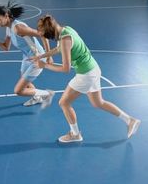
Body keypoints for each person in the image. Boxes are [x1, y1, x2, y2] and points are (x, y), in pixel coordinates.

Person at [30, 15, 141, 143]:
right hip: (93, 68)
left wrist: (44, 65)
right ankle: (130, 120)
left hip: (86, 74)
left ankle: (75, 134)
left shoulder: (65, 40)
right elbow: (58, 48)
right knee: (98, 103)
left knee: (64, 103)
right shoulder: (66, 29)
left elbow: (66, 69)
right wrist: (42, 56)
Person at [0, 0, 55, 107]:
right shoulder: (9, 28)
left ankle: (47, 94)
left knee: (18, 90)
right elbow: (5, 47)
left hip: (38, 58)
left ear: (6, 16)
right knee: (23, 77)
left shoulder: (18, 28)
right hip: (27, 57)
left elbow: (43, 34)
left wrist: (48, 56)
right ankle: (37, 97)